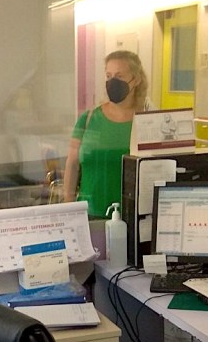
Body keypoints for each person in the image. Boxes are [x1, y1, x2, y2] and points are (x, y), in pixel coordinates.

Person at [63, 50, 148, 218]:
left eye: (119, 76)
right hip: (89, 215)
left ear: (136, 79)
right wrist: (68, 205)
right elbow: (72, 164)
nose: (112, 82)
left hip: (132, 218)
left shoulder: (147, 121)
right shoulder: (88, 119)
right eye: (109, 76)